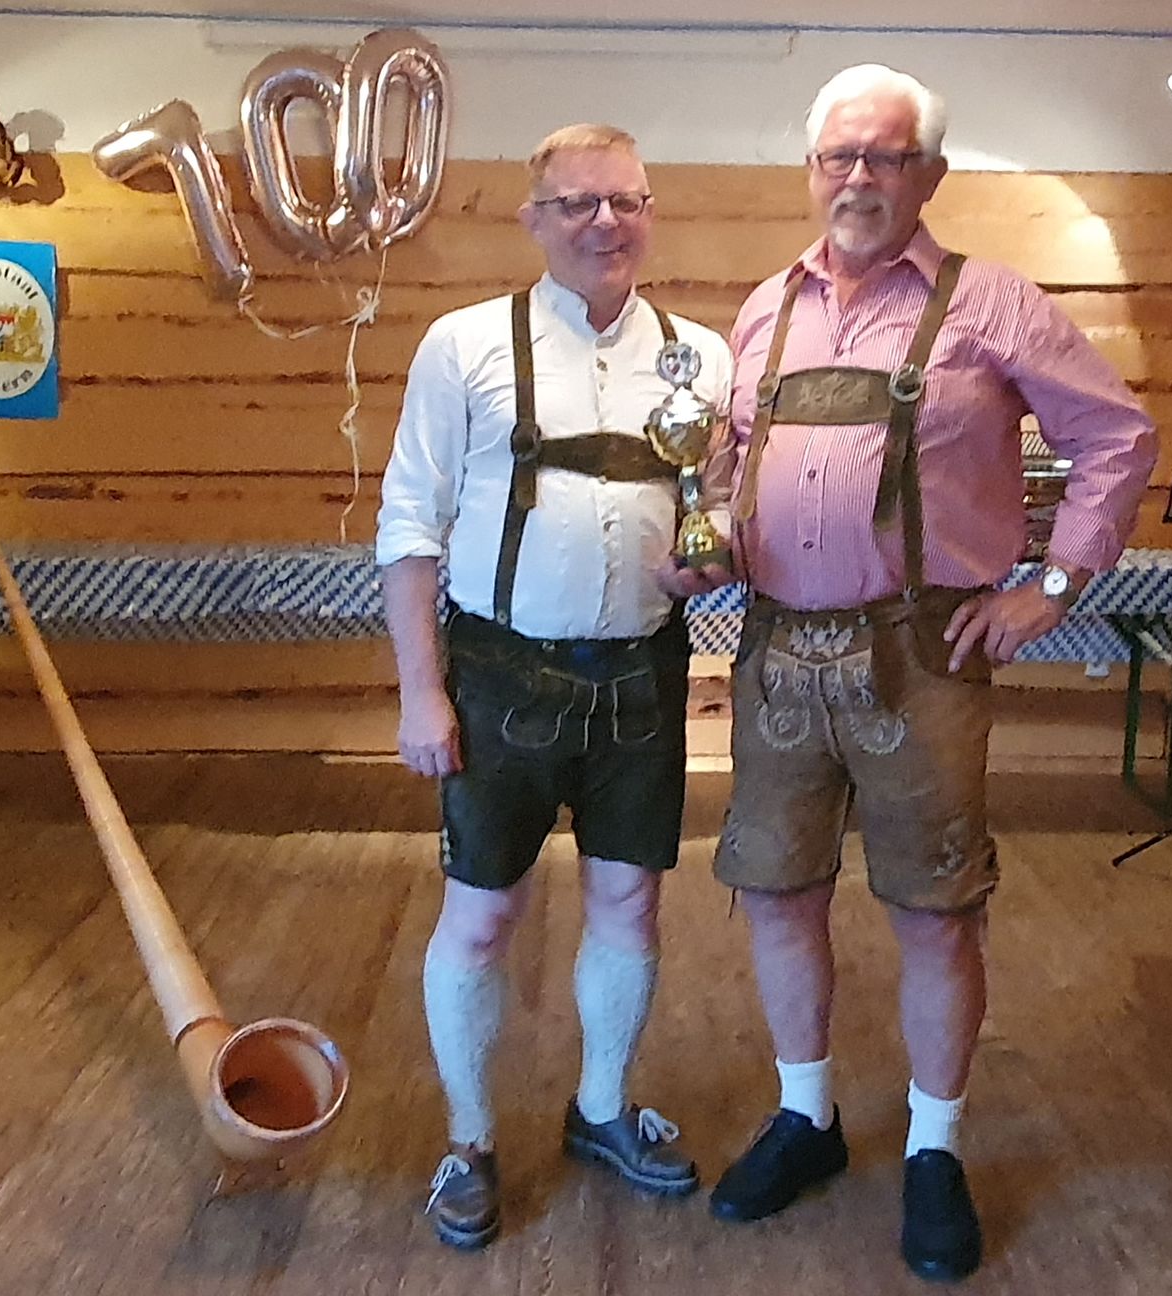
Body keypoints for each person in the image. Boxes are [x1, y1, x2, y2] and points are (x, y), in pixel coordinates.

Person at [702, 65, 1157, 1282]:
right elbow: (730, 462)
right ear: (811, 171)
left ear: (930, 176)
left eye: (886, 157)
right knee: (779, 893)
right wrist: (709, 534)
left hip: (925, 658)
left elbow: (1117, 437)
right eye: (838, 156)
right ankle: (807, 1116)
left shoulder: (993, 303)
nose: (858, 177)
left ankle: (934, 1148)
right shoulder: (764, 310)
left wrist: (1053, 584)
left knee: (936, 911)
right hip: (776, 652)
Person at [376, 123, 735, 1251]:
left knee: (629, 903)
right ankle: (470, 1139)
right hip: (500, 675)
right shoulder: (463, 345)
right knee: (483, 916)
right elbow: (408, 527)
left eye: (625, 200)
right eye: (577, 203)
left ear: (649, 213)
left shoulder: (703, 358)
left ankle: (601, 1109)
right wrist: (420, 693)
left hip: (644, 672)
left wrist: (712, 552)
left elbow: (715, 505)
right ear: (534, 219)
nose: (604, 222)